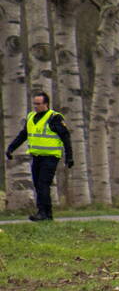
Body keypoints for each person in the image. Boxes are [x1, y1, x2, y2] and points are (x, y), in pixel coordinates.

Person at [5, 92, 74, 221]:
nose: (35, 106)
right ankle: (47, 214)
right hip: (36, 157)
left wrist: (69, 156)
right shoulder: (31, 117)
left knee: (43, 184)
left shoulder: (54, 118)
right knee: (38, 185)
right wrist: (11, 148)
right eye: (34, 103)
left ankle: (42, 213)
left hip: (50, 157)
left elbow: (66, 137)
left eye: (38, 104)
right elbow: (23, 135)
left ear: (46, 104)